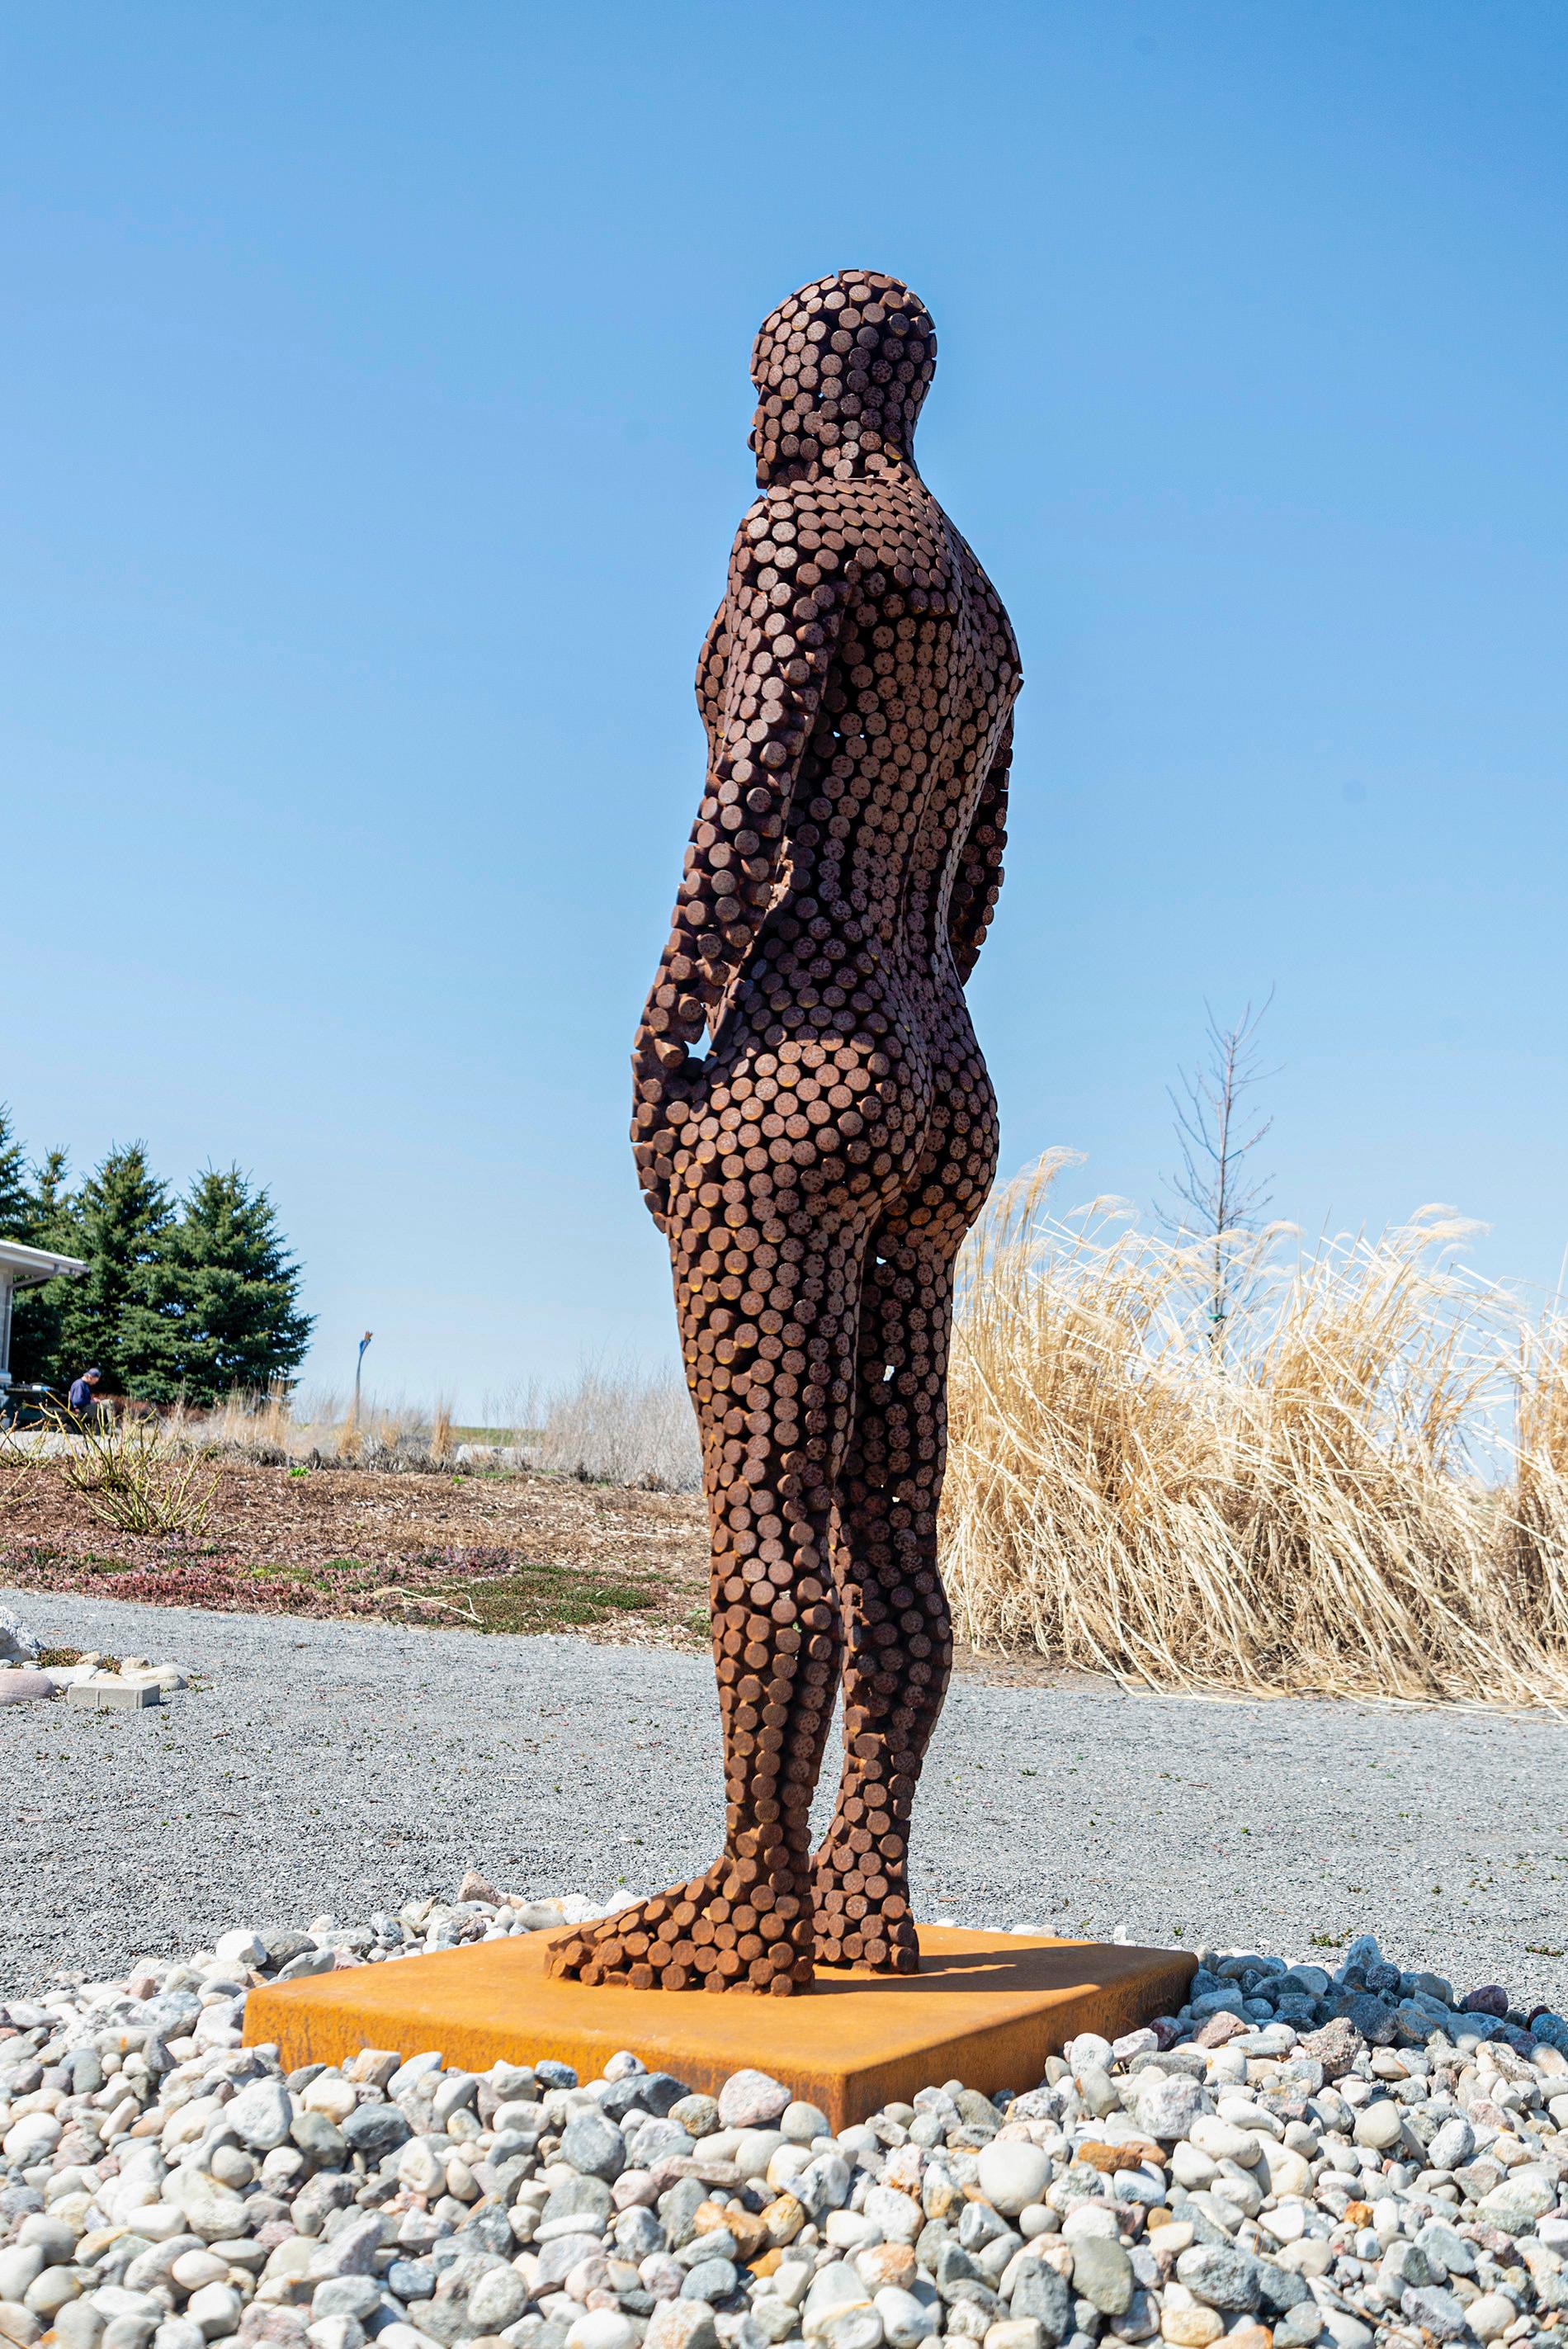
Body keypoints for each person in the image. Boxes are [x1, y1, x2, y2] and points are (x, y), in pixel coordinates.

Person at [548, 271, 1020, 1997]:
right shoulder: (974, 599)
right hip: (935, 1064)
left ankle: (755, 1885)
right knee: (887, 1518)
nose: (747, 421)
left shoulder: (802, 538)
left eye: (760, 382)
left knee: (764, 1508)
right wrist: (914, 1017)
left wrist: (670, 1039)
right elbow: (973, 873)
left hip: (800, 1056)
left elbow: (742, 800)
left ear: (816, 378)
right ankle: (866, 1882)